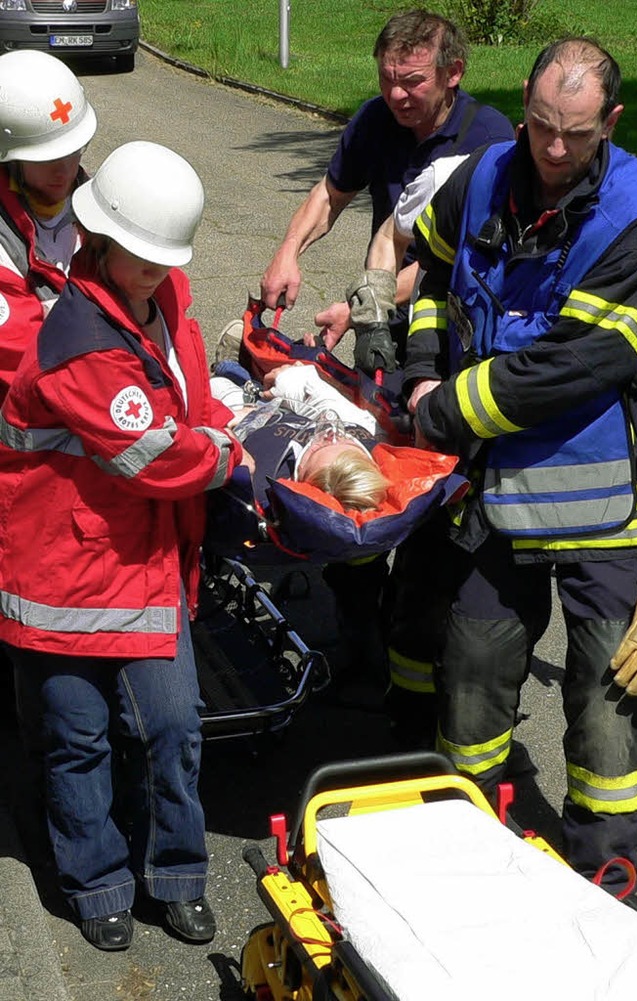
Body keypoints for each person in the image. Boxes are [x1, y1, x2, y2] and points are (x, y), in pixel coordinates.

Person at [401, 36, 637, 899]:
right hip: (492, 500)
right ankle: (470, 848)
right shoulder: (479, 177)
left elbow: (571, 368)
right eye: (540, 123)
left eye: (573, 135)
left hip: (605, 511)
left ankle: (609, 881)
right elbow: (424, 265)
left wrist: (438, 409)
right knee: (471, 679)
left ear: (608, 124)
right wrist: (420, 359)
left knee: (607, 708)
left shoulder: (633, 214)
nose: (549, 149)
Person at [0, 140, 251, 951]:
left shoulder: (163, 292)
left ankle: (175, 874)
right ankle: (98, 881)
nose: (152, 274)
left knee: (173, 728)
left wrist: (211, 411)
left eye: (161, 260)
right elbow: (159, 454)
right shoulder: (76, 342)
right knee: (76, 739)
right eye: (137, 259)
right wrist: (231, 451)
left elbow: (185, 387)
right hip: (64, 576)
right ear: (97, 240)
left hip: (141, 562)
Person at [259, 8, 514, 369]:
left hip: (452, 332)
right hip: (380, 321)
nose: (396, 95)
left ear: (453, 72)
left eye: (412, 81)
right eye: (386, 78)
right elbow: (330, 195)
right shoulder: (376, 119)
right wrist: (288, 252)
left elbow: (459, 256)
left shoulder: (488, 142)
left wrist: (363, 306)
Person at [0, 49, 97, 403]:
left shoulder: (99, 208)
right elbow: (26, 358)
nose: (65, 169)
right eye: (47, 158)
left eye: (74, 150)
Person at [211, 361, 390, 511]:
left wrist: (226, 427)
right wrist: (292, 380)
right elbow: (321, 398)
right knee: (290, 379)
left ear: (301, 476)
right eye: (345, 439)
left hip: (244, 424)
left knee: (217, 385)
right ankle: (245, 377)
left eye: (319, 446)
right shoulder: (369, 440)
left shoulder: (264, 480)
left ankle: (236, 376)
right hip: (281, 408)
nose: (331, 431)